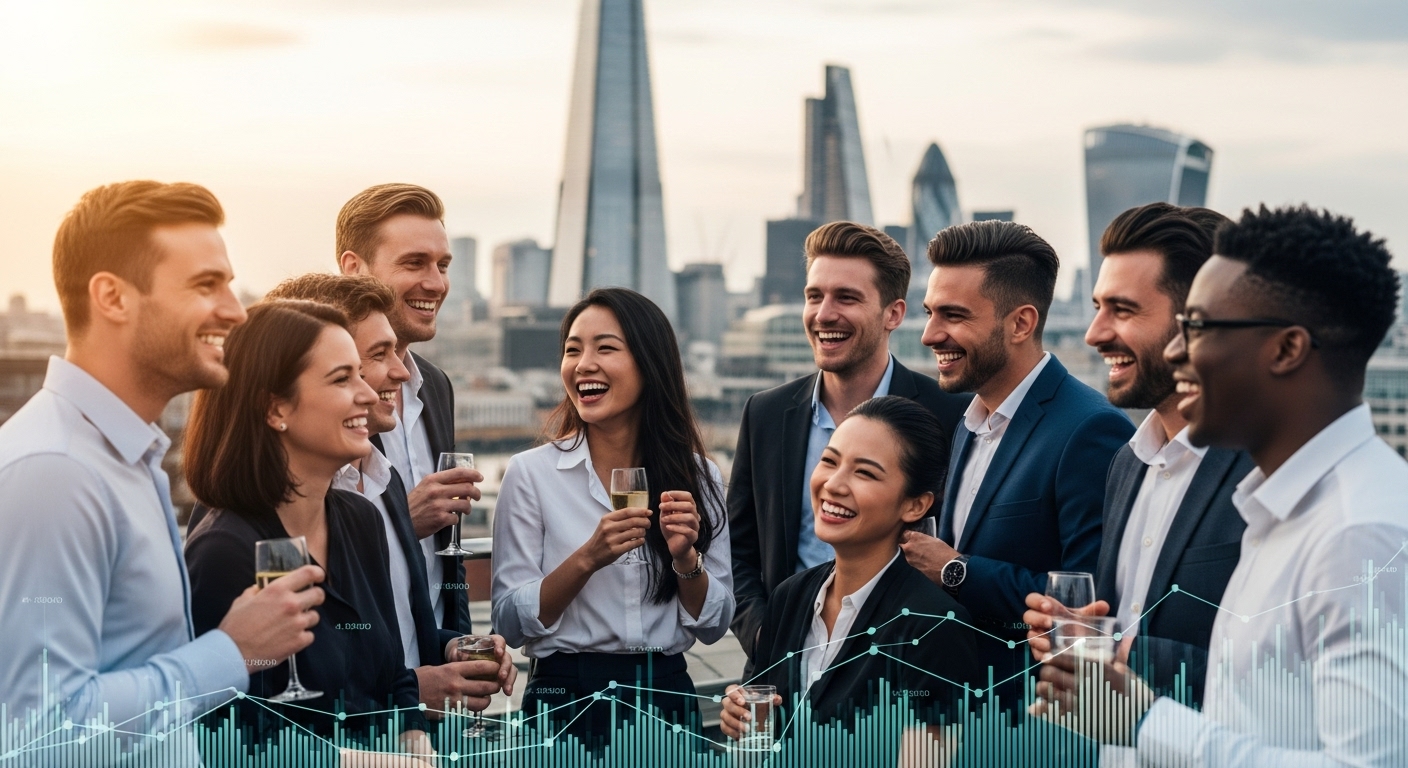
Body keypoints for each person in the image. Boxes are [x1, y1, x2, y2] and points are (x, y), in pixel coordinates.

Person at [1036, 205, 1408, 766]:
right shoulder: (1275, 508)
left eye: (1200, 327)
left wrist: (1145, 722)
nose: (1178, 350)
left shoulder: (1360, 532)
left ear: (1286, 349)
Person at [0, 182, 321, 762]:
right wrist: (231, 652)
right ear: (112, 298)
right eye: (205, 284)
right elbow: (41, 735)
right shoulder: (56, 473)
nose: (235, 310)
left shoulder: (124, 458)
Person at [1023, 203, 1253, 707]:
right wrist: (1080, 633)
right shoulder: (1126, 464)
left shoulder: (1265, 474)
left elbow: (1288, 671)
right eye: (1097, 307)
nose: (1094, 333)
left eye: (1122, 310)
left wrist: (1120, 653)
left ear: (1200, 322)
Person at [261, 273, 516, 717]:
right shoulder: (250, 528)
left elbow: (386, 633)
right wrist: (409, 695)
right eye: (377, 356)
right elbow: (272, 703)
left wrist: (450, 646)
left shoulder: (380, 483)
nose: (401, 371)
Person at [903, 220, 1133, 706]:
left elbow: (1089, 599)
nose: (929, 335)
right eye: (929, 313)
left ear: (1021, 323)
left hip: (1035, 717)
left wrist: (956, 570)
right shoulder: (967, 422)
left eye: (953, 315)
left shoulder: (1091, 429)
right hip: (957, 710)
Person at [183, 300, 430, 751]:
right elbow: (230, 739)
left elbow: (394, 676)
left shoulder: (361, 521)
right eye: (342, 379)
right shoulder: (224, 552)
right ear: (276, 408)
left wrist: (415, 742)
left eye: (360, 374)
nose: (368, 394)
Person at [491, 288, 733, 746]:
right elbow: (508, 623)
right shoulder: (530, 473)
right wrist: (588, 558)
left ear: (649, 363)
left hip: (665, 694)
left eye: (605, 348)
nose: (584, 364)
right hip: (564, 696)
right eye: (572, 350)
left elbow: (714, 623)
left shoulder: (699, 475)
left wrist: (686, 560)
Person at [729, 221, 970, 668]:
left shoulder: (952, 415)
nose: (823, 314)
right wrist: (766, 635)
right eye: (814, 296)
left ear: (893, 314)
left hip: (900, 668)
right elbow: (738, 552)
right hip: (782, 670)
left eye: (846, 298)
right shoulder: (765, 413)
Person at [720, 397, 980, 742]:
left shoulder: (933, 627)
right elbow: (766, 722)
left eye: (864, 473)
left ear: (916, 504)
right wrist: (742, 716)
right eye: (829, 461)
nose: (833, 484)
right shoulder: (789, 596)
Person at [336, 184, 477, 647]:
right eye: (415, 263)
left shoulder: (434, 385)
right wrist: (401, 521)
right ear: (354, 269)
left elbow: (445, 560)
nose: (436, 283)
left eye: (443, 265)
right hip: (361, 674)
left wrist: (455, 643)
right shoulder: (318, 397)